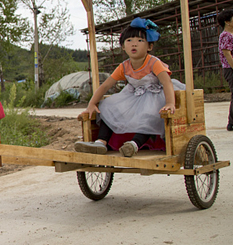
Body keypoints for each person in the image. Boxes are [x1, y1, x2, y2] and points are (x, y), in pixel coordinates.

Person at [75, 17, 184, 157]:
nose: (134, 44)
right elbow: (105, 85)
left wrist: (169, 102)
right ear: (123, 46)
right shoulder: (124, 66)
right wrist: (91, 104)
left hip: (155, 94)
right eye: (129, 41)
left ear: (149, 46)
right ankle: (101, 142)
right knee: (108, 106)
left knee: (150, 113)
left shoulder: (153, 62)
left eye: (140, 41)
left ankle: (134, 144)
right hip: (135, 96)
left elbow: (166, 82)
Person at [217, 8, 233, 131]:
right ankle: (231, 123)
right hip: (230, 68)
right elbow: (227, 54)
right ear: (227, 22)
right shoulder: (225, 35)